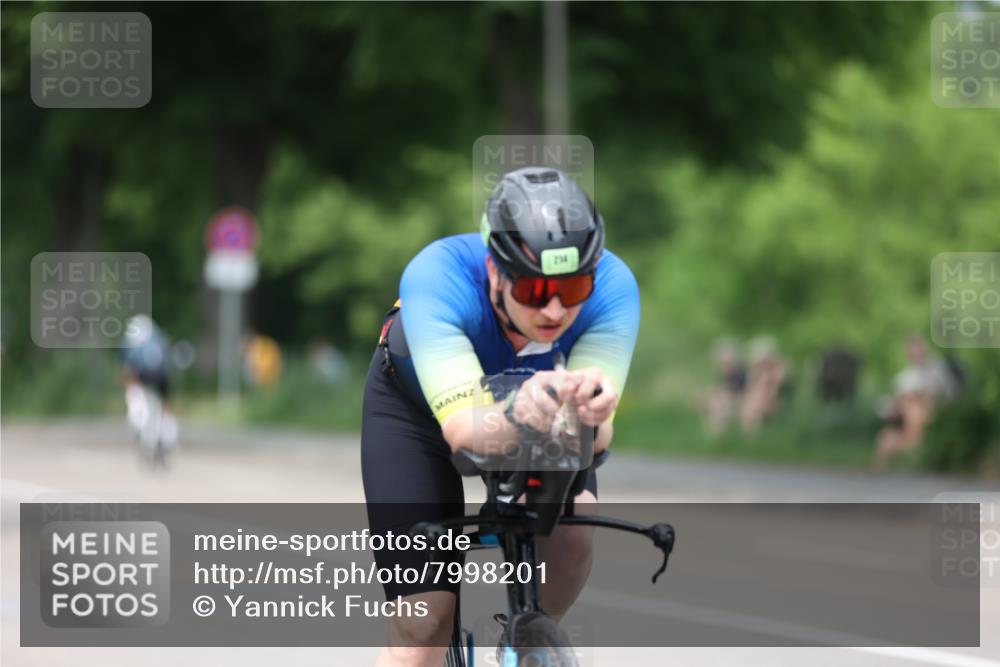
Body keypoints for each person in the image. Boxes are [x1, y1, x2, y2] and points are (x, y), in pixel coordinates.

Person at [361, 166, 640, 666]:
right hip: (420, 413)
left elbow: (597, 435)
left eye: (573, 290)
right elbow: (465, 431)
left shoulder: (614, 286)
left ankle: (522, 645)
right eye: (535, 291)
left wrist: (589, 414)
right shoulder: (437, 276)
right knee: (422, 623)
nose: (554, 310)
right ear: (495, 272)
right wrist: (518, 412)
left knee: (574, 534)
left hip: (543, 413)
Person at [873, 333, 958, 470]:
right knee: (887, 436)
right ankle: (880, 466)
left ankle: (912, 443)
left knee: (913, 410)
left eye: (918, 348)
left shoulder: (937, 369)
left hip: (931, 412)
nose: (915, 352)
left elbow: (946, 393)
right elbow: (896, 400)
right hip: (906, 416)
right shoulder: (905, 376)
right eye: (912, 349)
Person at [121, 314, 178, 453]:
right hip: (163, 376)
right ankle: (167, 432)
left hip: (142, 376)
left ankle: (140, 422)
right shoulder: (160, 337)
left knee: (135, 389)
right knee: (165, 404)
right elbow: (168, 360)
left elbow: (126, 369)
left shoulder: (130, 343)